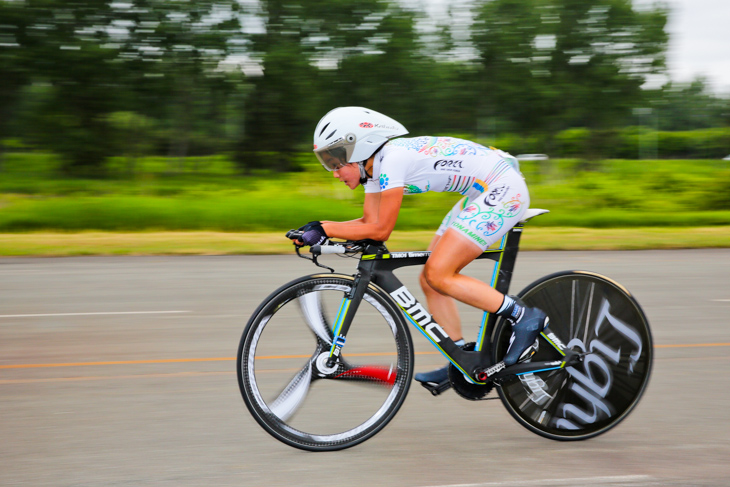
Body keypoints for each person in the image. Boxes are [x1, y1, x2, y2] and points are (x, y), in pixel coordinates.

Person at [294, 106, 549, 388]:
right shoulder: (373, 170)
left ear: (358, 148)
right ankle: (461, 358)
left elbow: (381, 230)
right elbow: (369, 221)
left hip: (502, 188)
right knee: (430, 280)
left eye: (335, 162)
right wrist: (317, 228)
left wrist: (326, 228)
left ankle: (523, 315)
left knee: (440, 273)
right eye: (328, 164)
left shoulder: (392, 160)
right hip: (481, 190)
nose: (334, 172)